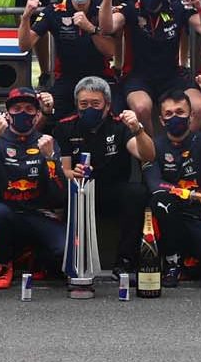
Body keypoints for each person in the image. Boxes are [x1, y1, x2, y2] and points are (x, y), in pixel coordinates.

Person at [54, 76, 153, 277]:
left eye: (95, 104)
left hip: (112, 190)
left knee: (136, 192)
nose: (89, 108)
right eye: (84, 104)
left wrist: (138, 129)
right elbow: (63, 170)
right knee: (64, 190)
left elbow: (147, 155)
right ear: (76, 105)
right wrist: (72, 174)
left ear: (107, 106)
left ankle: (125, 262)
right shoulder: (65, 127)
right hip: (80, 191)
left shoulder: (120, 126)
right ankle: (71, 261)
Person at [0, 88, 68, 290]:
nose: (23, 113)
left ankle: (32, 257)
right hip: (5, 213)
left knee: (65, 253)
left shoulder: (48, 143)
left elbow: (61, 194)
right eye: (17, 108)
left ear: (36, 115)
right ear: (7, 114)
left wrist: (51, 159)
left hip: (38, 213)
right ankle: (3, 265)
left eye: (28, 108)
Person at [100, 0, 201, 126]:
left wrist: (200, 6)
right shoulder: (130, 9)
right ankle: (152, 150)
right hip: (138, 76)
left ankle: (187, 147)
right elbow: (107, 28)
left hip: (172, 75)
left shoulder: (177, 7)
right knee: (141, 108)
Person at [144, 88, 201, 289]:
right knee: (160, 200)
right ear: (161, 120)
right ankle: (172, 263)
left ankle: (195, 263)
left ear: (191, 115)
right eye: (168, 114)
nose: (174, 118)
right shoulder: (153, 146)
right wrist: (197, 196)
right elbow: (155, 184)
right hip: (170, 217)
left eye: (180, 112)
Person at [20, 0, 119, 106]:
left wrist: (91, 28)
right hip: (67, 78)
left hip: (100, 77)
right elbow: (24, 45)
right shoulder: (54, 10)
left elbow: (111, 52)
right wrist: (26, 17)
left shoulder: (103, 9)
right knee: (45, 109)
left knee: (112, 113)